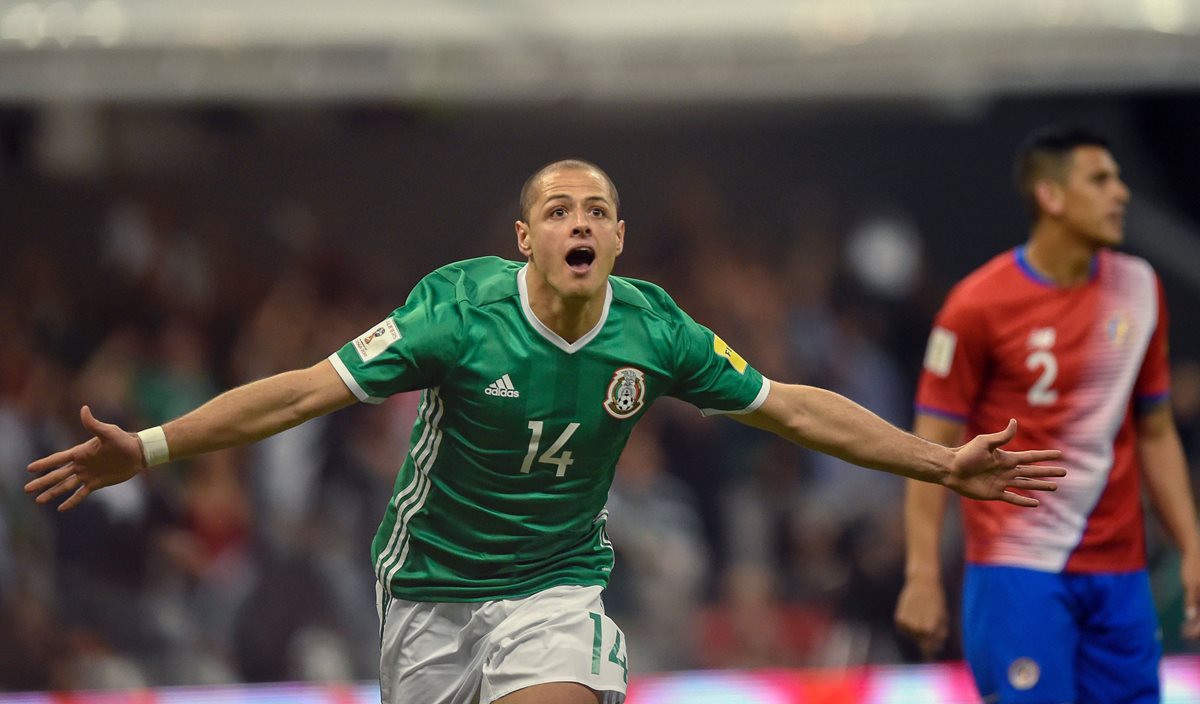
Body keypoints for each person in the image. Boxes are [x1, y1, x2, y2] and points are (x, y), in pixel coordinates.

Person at [27, 159, 1064, 704]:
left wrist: (940, 459)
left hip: (554, 583)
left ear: (616, 237)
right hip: (430, 582)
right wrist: (151, 446)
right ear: (527, 238)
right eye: (558, 209)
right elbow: (300, 392)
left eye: (597, 209)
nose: (579, 221)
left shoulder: (655, 329)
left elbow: (791, 402)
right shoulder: (455, 313)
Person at [894, 127, 1200, 703]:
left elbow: (1155, 431)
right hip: (1018, 571)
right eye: (1100, 179)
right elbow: (929, 448)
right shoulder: (977, 306)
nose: (1122, 193)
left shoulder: (1138, 289)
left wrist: (1192, 545)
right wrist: (923, 573)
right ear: (1050, 196)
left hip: (1120, 571)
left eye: (1119, 178)